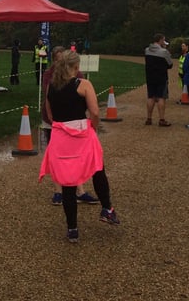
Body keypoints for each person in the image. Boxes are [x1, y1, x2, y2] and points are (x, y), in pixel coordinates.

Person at [39, 50, 120, 243]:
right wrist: (93, 125)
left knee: (68, 183)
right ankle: (107, 208)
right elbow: (94, 111)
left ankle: (72, 228)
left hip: (61, 137)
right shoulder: (83, 85)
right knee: (97, 168)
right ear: (76, 67)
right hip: (82, 133)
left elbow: (49, 115)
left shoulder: (51, 86)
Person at [40, 47, 98, 206]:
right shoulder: (49, 76)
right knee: (56, 157)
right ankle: (58, 190)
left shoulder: (77, 76)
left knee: (76, 156)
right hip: (55, 122)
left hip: (72, 123)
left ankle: (79, 189)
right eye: (58, 60)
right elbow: (48, 97)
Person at [144, 33, 173, 126]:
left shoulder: (147, 50)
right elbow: (170, 65)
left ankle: (149, 118)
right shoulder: (164, 52)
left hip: (150, 77)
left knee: (151, 97)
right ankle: (161, 119)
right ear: (160, 40)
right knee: (161, 97)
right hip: (161, 77)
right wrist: (165, 49)